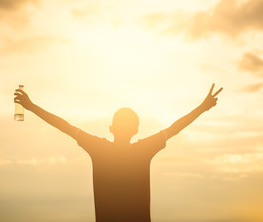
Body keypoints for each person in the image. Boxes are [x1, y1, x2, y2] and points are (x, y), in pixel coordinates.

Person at [14, 83, 223, 222]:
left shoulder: (99, 148)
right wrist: (202, 108)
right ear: (136, 130)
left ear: (111, 128)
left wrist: (32, 107)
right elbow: (175, 128)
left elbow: (64, 126)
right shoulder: (143, 149)